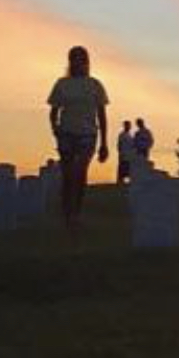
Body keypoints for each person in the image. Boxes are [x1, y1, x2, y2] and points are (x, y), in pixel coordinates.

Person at [47, 45, 108, 228]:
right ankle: (67, 212)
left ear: (87, 62)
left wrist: (104, 143)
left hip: (87, 134)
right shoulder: (62, 84)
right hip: (66, 133)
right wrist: (56, 129)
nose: (78, 63)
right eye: (75, 59)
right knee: (67, 174)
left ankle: (76, 213)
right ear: (70, 62)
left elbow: (102, 115)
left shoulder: (95, 85)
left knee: (80, 171)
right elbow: (53, 111)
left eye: (82, 60)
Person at [116, 120, 134, 185]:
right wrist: (120, 153)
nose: (128, 127)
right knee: (122, 168)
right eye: (127, 125)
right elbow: (119, 145)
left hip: (129, 155)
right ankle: (120, 181)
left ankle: (128, 181)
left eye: (129, 125)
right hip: (123, 154)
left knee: (128, 169)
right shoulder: (122, 135)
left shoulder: (130, 135)